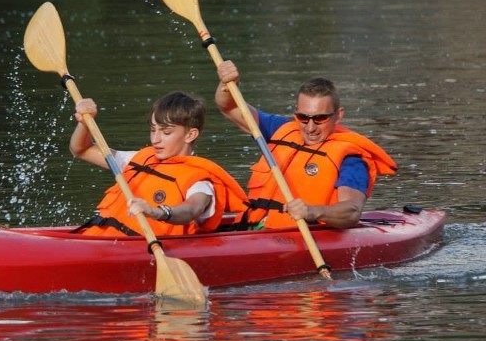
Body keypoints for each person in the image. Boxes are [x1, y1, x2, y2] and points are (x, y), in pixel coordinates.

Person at [215, 60, 397, 229]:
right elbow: (230, 107)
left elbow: (351, 211)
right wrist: (227, 85)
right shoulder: (281, 129)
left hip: (301, 235)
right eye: (303, 117)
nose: (310, 128)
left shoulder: (351, 159)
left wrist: (311, 211)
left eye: (320, 118)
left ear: (338, 115)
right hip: (252, 228)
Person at [69, 90, 248, 236]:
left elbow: (192, 209)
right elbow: (81, 150)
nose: (156, 139)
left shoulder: (200, 183)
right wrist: (84, 124)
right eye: (153, 130)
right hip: (99, 238)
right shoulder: (138, 159)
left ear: (190, 135)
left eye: (166, 132)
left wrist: (157, 212)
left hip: (143, 249)